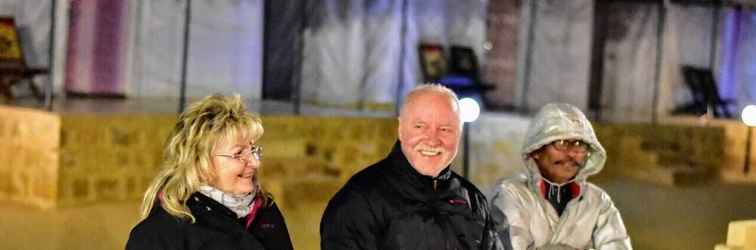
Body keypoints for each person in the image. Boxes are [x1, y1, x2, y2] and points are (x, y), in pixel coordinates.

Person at [320, 84, 507, 250]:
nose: (433, 140)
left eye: (445, 129)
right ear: (400, 129)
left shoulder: (473, 202)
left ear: (459, 135)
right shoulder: (360, 200)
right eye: (420, 127)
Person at [126, 94, 293, 250]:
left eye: (253, 150)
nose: (255, 163)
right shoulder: (159, 235)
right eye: (239, 153)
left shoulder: (266, 213)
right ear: (200, 163)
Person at [489, 103, 632, 250]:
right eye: (561, 143)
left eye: (578, 144)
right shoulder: (512, 195)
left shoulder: (598, 202)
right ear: (536, 150)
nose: (571, 153)